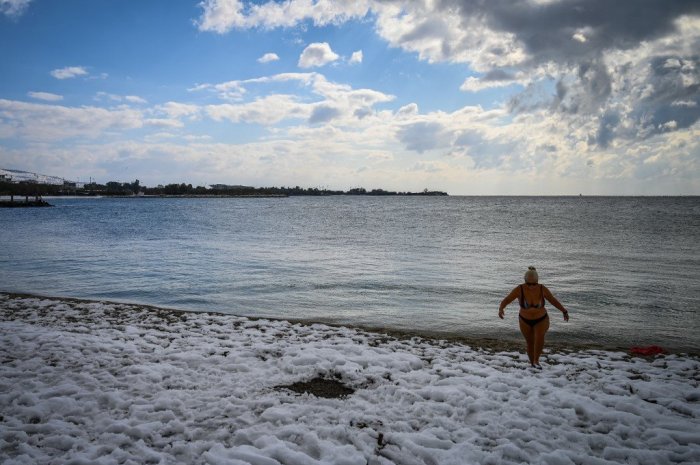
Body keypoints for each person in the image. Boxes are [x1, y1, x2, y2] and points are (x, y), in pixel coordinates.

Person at [498, 266, 569, 369]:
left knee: (539, 339)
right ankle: (532, 364)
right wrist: (501, 308)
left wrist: (564, 311)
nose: (531, 286)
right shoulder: (519, 289)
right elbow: (507, 299)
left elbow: (553, 300)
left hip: (541, 319)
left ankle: (536, 361)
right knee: (530, 342)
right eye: (529, 284)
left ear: (538, 281)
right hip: (524, 320)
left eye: (534, 284)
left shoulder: (542, 289)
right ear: (525, 281)